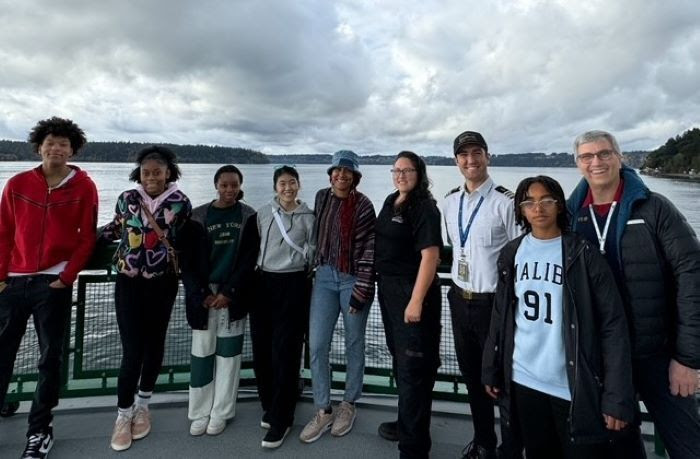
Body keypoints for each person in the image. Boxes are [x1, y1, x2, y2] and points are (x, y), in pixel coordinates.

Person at [567, 130, 700, 458]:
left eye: (604, 153)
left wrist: (687, 358)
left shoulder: (655, 208)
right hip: (604, 357)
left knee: (686, 444)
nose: (596, 162)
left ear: (619, 156)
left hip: (656, 352)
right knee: (620, 444)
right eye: (587, 156)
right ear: (578, 163)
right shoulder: (570, 217)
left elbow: (692, 273)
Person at [482, 175, 635, 458]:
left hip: (571, 384)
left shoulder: (583, 254)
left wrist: (617, 395)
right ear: (521, 210)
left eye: (546, 200)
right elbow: (501, 314)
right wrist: (491, 366)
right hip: (523, 378)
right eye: (529, 202)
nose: (538, 208)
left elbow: (613, 326)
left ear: (560, 206)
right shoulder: (512, 253)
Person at [0, 117, 98, 459]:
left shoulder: (84, 187)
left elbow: (87, 238)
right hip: (12, 280)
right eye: (50, 142)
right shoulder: (17, 184)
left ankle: (40, 430)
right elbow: (4, 232)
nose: (56, 149)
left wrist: (66, 277)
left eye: (63, 144)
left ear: (73, 150)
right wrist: (1, 275)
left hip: (52, 284)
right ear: (39, 146)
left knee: (48, 360)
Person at [100, 146, 191, 452]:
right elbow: (115, 227)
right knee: (132, 349)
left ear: (169, 173)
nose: (151, 177)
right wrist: (82, 241)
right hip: (128, 282)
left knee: (154, 344)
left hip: (162, 283)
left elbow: (186, 238)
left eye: (158, 171)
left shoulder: (180, 203)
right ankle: (123, 414)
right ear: (139, 173)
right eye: (146, 172)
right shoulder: (128, 198)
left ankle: (143, 405)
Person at [442, 131, 522, 459]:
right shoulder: (449, 202)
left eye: (477, 153)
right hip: (460, 300)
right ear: (456, 161)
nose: (470, 160)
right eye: (463, 154)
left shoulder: (506, 201)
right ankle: (484, 443)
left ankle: (512, 449)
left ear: (488, 156)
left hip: (495, 305)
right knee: (474, 380)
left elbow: (521, 255)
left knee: (502, 381)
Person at [231, 165, 316, 449]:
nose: (288, 188)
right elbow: (249, 251)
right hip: (263, 284)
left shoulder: (309, 217)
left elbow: (314, 253)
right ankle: (270, 403)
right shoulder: (263, 214)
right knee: (262, 348)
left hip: (293, 286)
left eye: (292, 182)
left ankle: (283, 416)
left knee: (287, 351)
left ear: (299, 185)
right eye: (282, 183)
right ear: (275, 186)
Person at [299, 150, 376, 443]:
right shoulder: (322, 197)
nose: (341, 176)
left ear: (355, 176)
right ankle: (323, 408)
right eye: (336, 171)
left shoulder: (364, 205)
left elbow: (370, 249)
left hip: (354, 279)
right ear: (330, 174)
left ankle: (348, 404)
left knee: (354, 343)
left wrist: (360, 291)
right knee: (317, 345)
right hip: (324, 277)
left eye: (347, 172)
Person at [375, 152, 442, 458]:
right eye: (396, 170)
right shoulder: (392, 201)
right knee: (401, 363)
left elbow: (430, 256)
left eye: (407, 170)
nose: (400, 175)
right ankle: (407, 424)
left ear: (419, 173)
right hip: (388, 292)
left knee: (415, 367)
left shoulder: (424, 207)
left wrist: (415, 302)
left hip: (413, 294)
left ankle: (413, 448)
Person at [179, 165, 254, 438]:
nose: (229, 190)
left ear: (239, 185)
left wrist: (230, 291)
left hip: (232, 296)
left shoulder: (248, 216)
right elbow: (186, 263)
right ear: (216, 185)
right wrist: (201, 293)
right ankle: (198, 412)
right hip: (204, 297)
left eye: (234, 185)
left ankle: (221, 412)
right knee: (201, 354)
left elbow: (249, 260)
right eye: (224, 185)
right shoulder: (198, 216)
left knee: (229, 357)